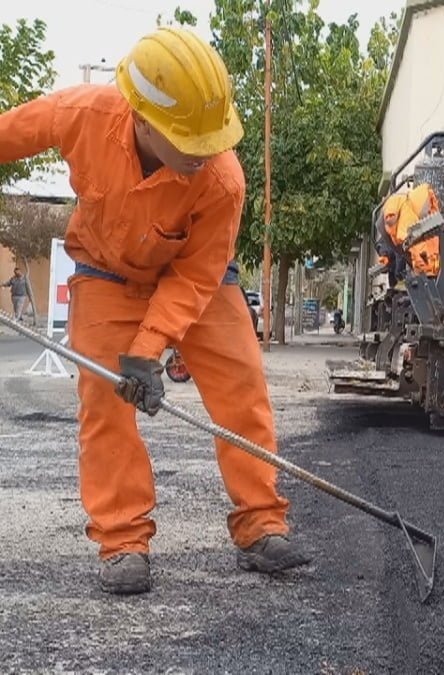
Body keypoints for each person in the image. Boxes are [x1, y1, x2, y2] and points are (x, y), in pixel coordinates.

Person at [0, 27, 312, 595]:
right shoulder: (84, 114)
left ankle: (261, 522)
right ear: (142, 119)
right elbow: (9, 134)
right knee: (104, 403)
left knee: (241, 391)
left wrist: (148, 351)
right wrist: (130, 360)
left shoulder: (222, 180)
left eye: (210, 139)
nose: (204, 152)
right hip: (105, 271)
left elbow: (195, 277)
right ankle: (123, 542)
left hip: (198, 277)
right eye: (189, 140)